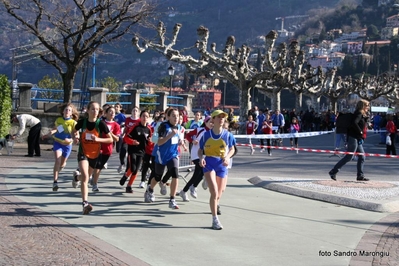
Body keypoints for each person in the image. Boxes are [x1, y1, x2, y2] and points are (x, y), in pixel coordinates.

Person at [72, 101, 113, 215]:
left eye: (97, 109)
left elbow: (110, 139)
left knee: (86, 177)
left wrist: (98, 139)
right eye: (93, 109)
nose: (95, 111)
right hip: (83, 152)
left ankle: (76, 178)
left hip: (95, 154)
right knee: (86, 177)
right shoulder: (82, 122)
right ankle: (85, 203)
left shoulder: (101, 124)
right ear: (88, 110)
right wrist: (75, 137)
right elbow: (74, 131)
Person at [198, 110, 236, 230]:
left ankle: (210, 185)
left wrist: (227, 157)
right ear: (213, 120)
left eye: (223, 117)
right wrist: (201, 158)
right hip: (209, 163)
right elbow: (200, 150)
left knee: (220, 192)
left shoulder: (228, 135)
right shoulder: (206, 135)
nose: (221, 119)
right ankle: (215, 220)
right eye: (218, 117)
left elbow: (232, 149)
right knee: (214, 192)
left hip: (222, 164)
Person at [144, 108, 182, 209]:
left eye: (177, 116)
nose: (176, 118)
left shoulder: (178, 127)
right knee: (157, 177)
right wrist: (170, 135)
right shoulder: (163, 126)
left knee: (175, 174)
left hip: (173, 155)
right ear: (168, 117)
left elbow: (176, 139)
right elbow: (159, 142)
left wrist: (180, 142)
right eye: (173, 116)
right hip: (161, 156)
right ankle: (150, 189)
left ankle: (172, 199)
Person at [329, 100, 370, 182]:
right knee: (349, 156)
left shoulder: (361, 114)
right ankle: (333, 171)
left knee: (362, 157)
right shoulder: (358, 113)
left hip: (357, 138)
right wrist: (360, 131)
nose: (368, 107)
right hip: (353, 137)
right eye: (367, 106)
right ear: (363, 106)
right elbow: (354, 123)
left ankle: (360, 175)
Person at [42, 103, 79, 191]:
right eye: (66, 110)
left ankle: (61, 167)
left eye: (69, 110)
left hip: (67, 145)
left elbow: (76, 134)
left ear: (71, 113)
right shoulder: (59, 120)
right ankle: (55, 182)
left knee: (62, 164)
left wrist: (75, 139)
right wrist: (48, 134)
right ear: (63, 111)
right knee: (57, 161)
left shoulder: (73, 122)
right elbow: (56, 129)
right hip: (58, 142)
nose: (67, 111)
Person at [180, 116, 213, 201]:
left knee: (201, 173)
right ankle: (191, 187)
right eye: (210, 122)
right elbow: (188, 135)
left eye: (213, 122)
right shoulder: (199, 130)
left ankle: (186, 190)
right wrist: (192, 141)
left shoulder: (213, 132)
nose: (212, 124)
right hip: (196, 154)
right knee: (198, 171)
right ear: (205, 122)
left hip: (204, 155)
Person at [119, 110, 152, 193]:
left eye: (146, 116)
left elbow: (149, 143)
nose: (145, 118)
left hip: (142, 152)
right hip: (133, 150)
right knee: (132, 168)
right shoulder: (135, 127)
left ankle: (129, 186)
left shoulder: (149, 129)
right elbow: (126, 138)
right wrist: (133, 142)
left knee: (136, 170)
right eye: (143, 116)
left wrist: (150, 141)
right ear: (140, 117)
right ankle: (125, 176)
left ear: (148, 118)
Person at [91, 106, 121, 192]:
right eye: (110, 111)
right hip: (98, 147)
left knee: (99, 167)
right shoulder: (100, 122)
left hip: (108, 149)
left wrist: (110, 133)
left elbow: (117, 139)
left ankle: (92, 178)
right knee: (97, 166)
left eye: (114, 112)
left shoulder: (116, 125)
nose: (112, 113)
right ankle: (95, 184)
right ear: (106, 113)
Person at [118, 106, 140, 173]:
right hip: (127, 138)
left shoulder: (139, 121)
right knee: (122, 151)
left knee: (130, 156)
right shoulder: (128, 119)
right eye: (134, 110)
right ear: (131, 112)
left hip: (134, 141)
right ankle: (122, 164)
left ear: (138, 113)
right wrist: (123, 133)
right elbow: (126, 127)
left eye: (136, 111)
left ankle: (127, 170)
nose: (135, 112)